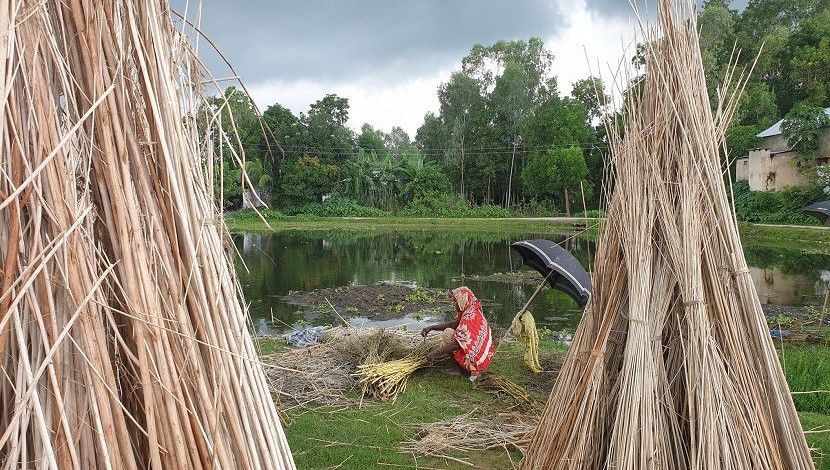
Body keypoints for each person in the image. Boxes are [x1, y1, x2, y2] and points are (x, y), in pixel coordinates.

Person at [420, 286, 494, 381]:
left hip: (476, 362)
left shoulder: (469, 316)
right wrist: (431, 327)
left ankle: (460, 370)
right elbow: (454, 324)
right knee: (451, 331)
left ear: (463, 300)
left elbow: (457, 344)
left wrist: (433, 354)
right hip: (482, 358)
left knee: (448, 333)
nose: (453, 303)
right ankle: (464, 369)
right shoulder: (471, 308)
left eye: (455, 300)